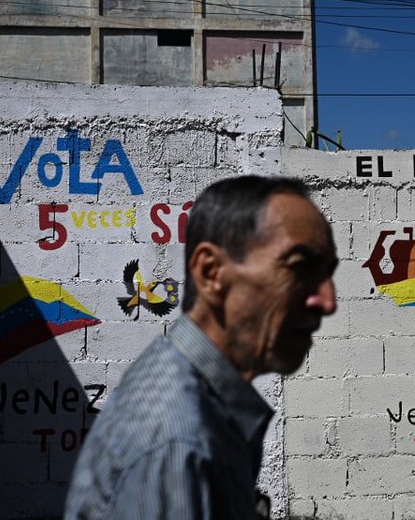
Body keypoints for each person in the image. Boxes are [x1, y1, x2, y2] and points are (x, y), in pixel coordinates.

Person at [65, 176, 338, 519]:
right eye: (300, 268)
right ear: (211, 273)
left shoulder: (196, 409)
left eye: (328, 273)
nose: (328, 301)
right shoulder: (179, 443)